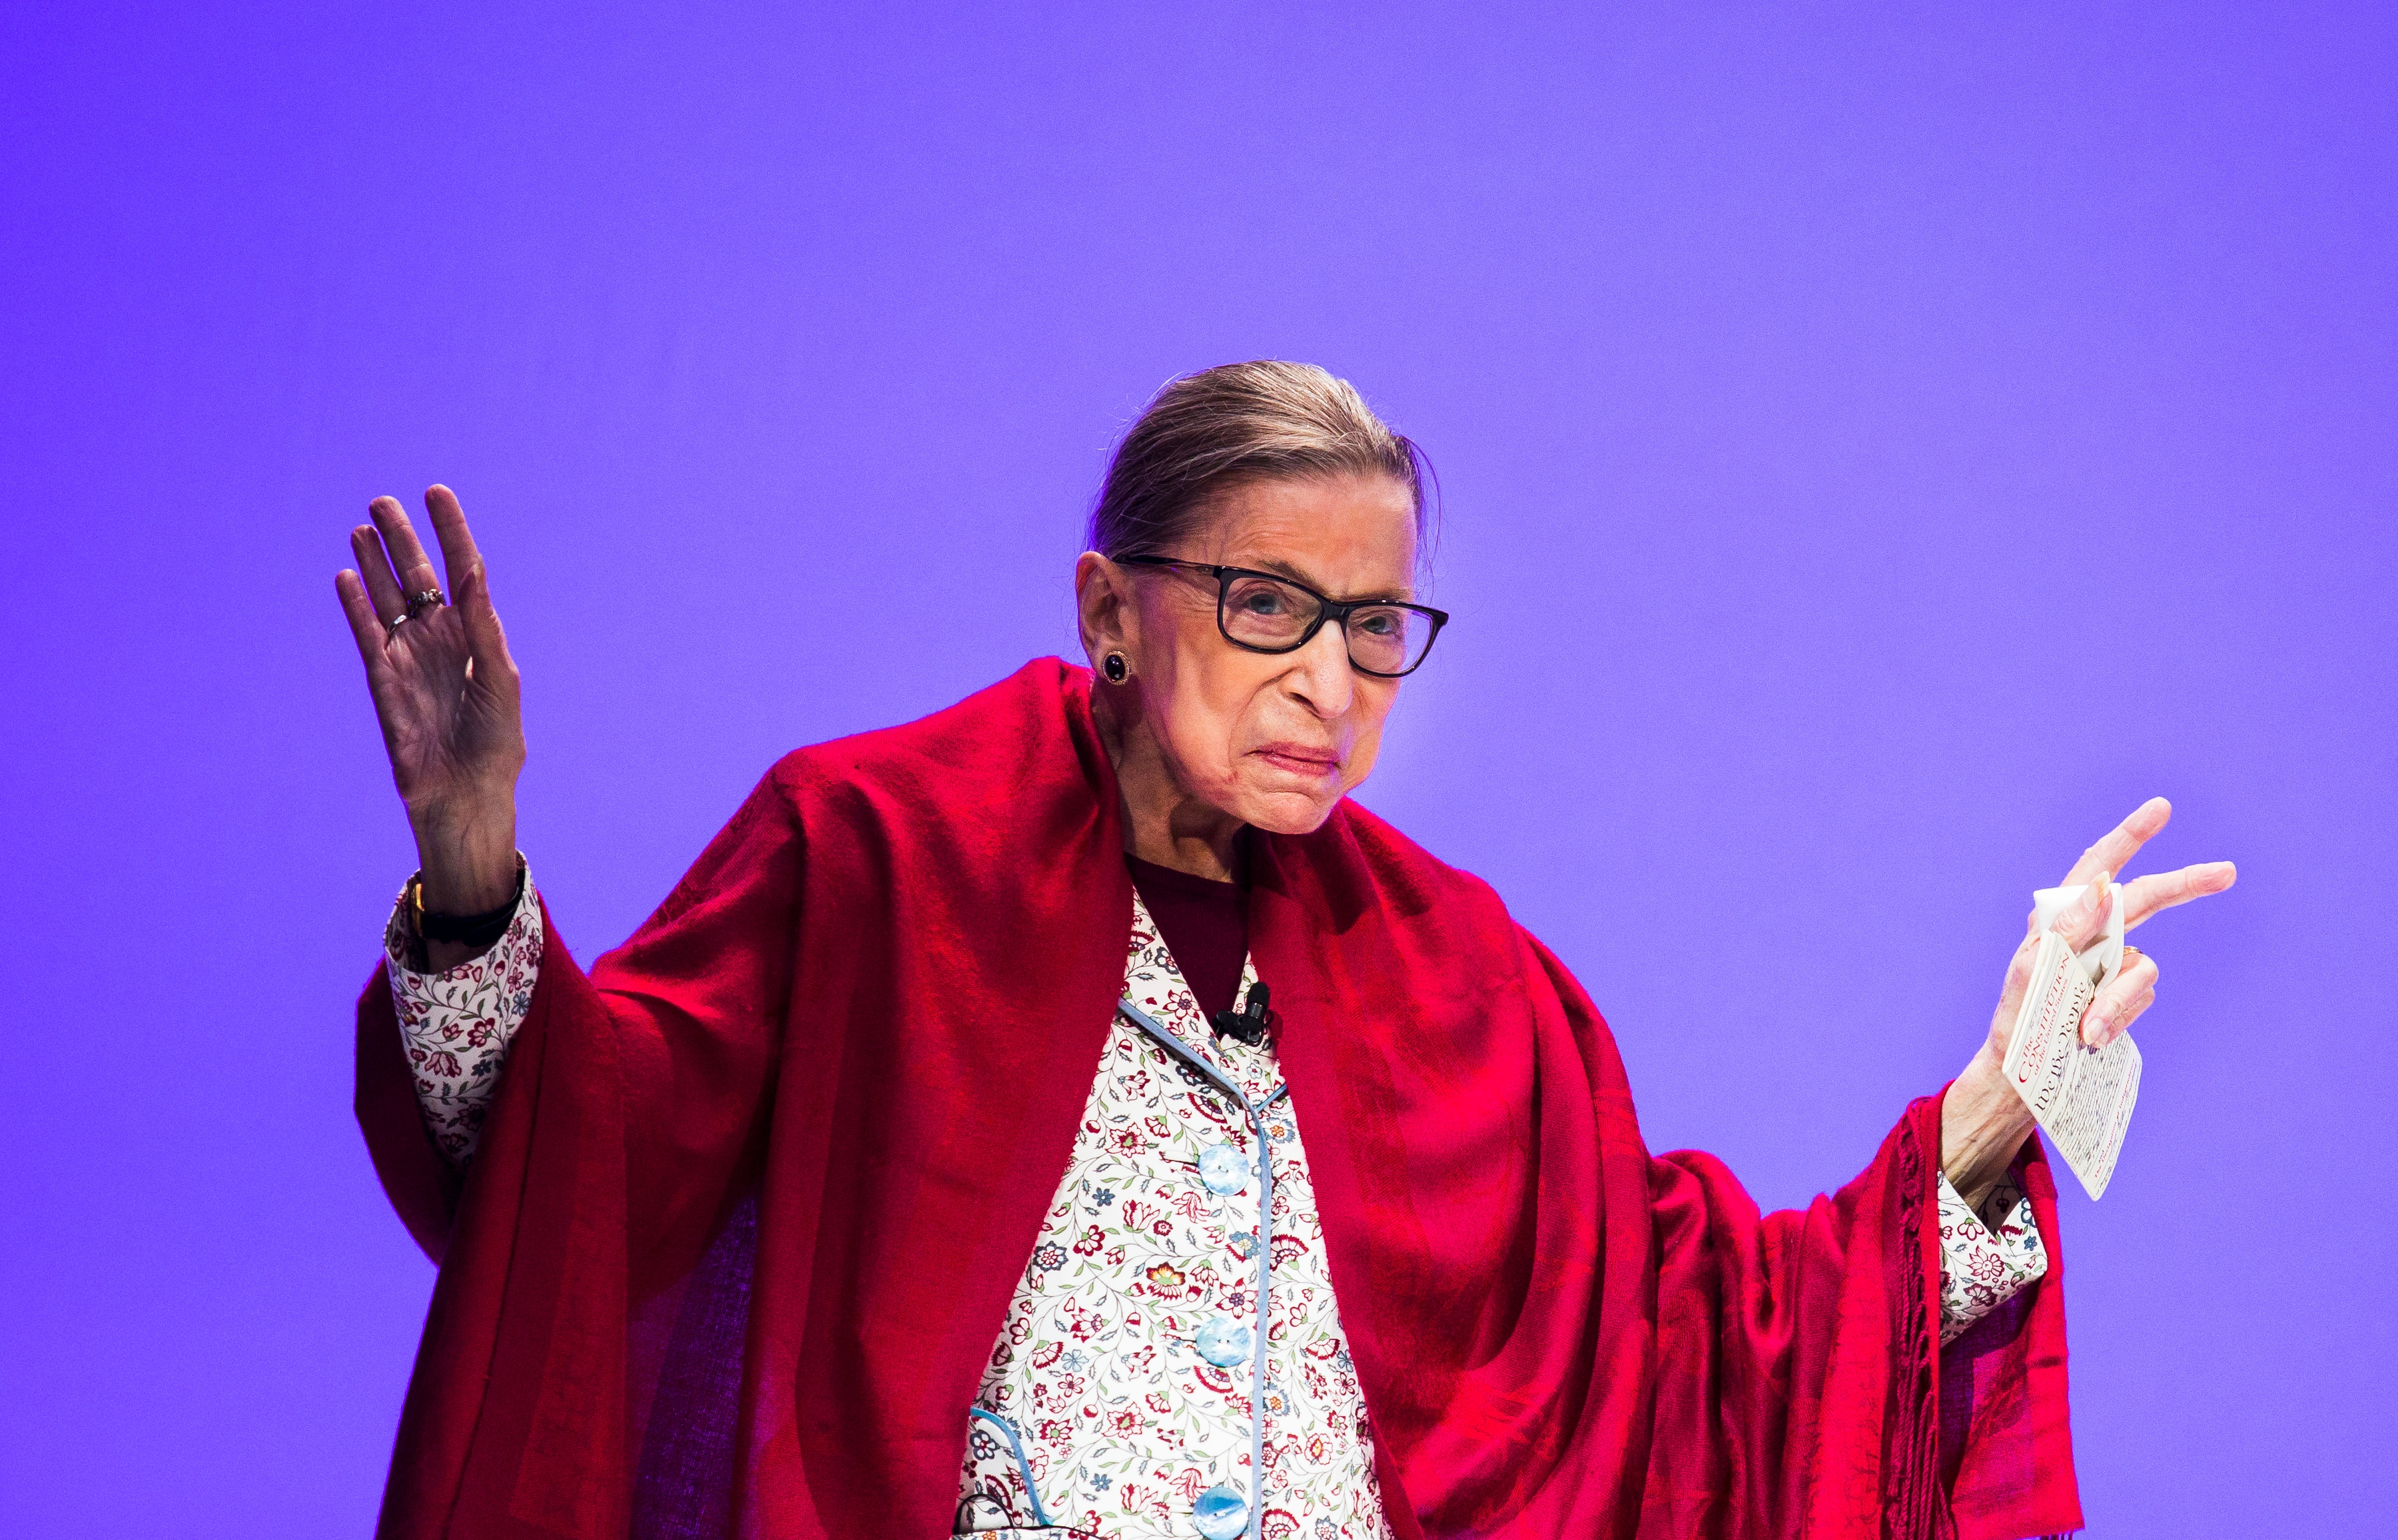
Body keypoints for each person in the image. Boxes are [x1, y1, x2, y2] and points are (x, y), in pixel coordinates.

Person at [336, 362, 2232, 1540]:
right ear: (1110, 605)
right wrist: (476, 869)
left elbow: (1689, 1339)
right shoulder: (874, 853)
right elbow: (578, 1168)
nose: (1330, 682)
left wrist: (1993, 1107)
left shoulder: (1468, 984)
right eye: (1269, 607)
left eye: (1380, 627)